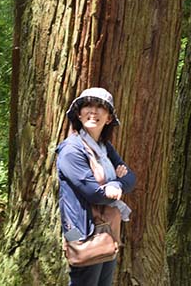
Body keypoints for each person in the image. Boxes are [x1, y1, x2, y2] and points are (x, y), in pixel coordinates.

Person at [56, 87, 136, 286]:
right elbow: (94, 193)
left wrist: (116, 184)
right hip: (78, 229)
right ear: (79, 114)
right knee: (84, 280)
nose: (93, 111)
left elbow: (130, 178)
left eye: (100, 107)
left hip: (106, 228)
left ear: (109, 118)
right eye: (88, 106)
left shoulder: (105, 148)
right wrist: (111, 188)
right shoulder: (71, 150)